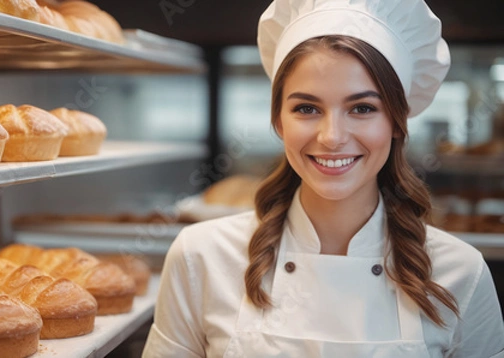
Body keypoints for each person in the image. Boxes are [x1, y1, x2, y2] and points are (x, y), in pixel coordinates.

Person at [142, 0, 504, 356]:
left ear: (396, 122)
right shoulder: (201, 256)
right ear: (279, 122)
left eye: (362, 108)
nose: (332, 137)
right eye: (307, 108)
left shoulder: (460, 273)